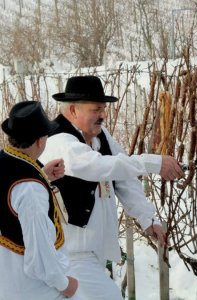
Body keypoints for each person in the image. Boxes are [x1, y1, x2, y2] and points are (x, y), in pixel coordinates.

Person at [39, 75, 184, 300]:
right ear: (74, 110)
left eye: (103, 109)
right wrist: (154, 163)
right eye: (96, 109)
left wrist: (148, 219)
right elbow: (97, 166)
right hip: (69, 256)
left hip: (90, 254)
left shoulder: (100, 137)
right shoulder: (58, 140)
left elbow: (122, 178)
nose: (103, 115)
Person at [0, 101, 79, 299]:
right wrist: (64, 284)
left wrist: (42, 176)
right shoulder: (31, 189)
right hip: (36, 290)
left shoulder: (5, 161)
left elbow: (11, 197)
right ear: (39, 141)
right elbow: (39, 255)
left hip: (8, 280)